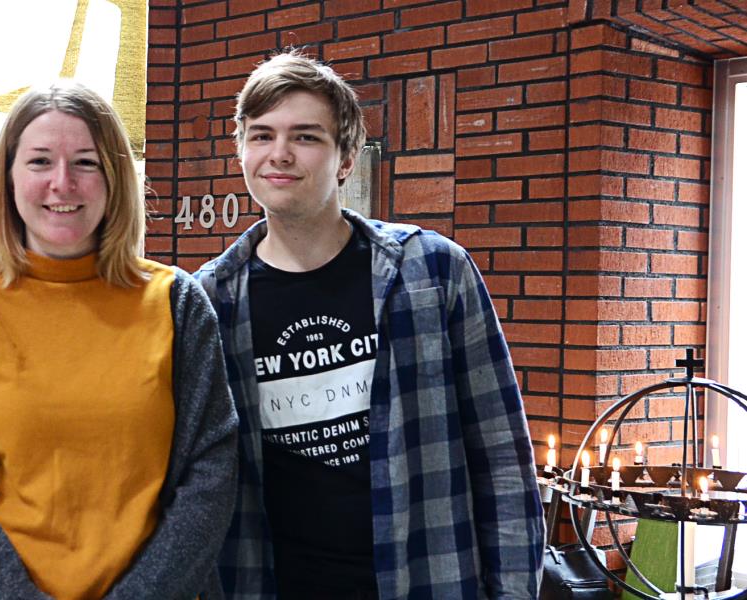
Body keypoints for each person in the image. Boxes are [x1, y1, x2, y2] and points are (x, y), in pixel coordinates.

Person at [195, 50, 544, 599]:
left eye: (305, 137)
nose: (279, 154)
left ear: (347, 157)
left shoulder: (432, 270)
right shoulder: (210, 302)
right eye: (261, 135)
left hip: (427, 578)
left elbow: (501, 455)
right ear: (241, 149)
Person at [0, 80, 238, 600]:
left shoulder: (178, 304)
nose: (63, 183)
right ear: (9, 177)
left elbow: (211, 475)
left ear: (114, 178)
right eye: (39, 162)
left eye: (86, 162)